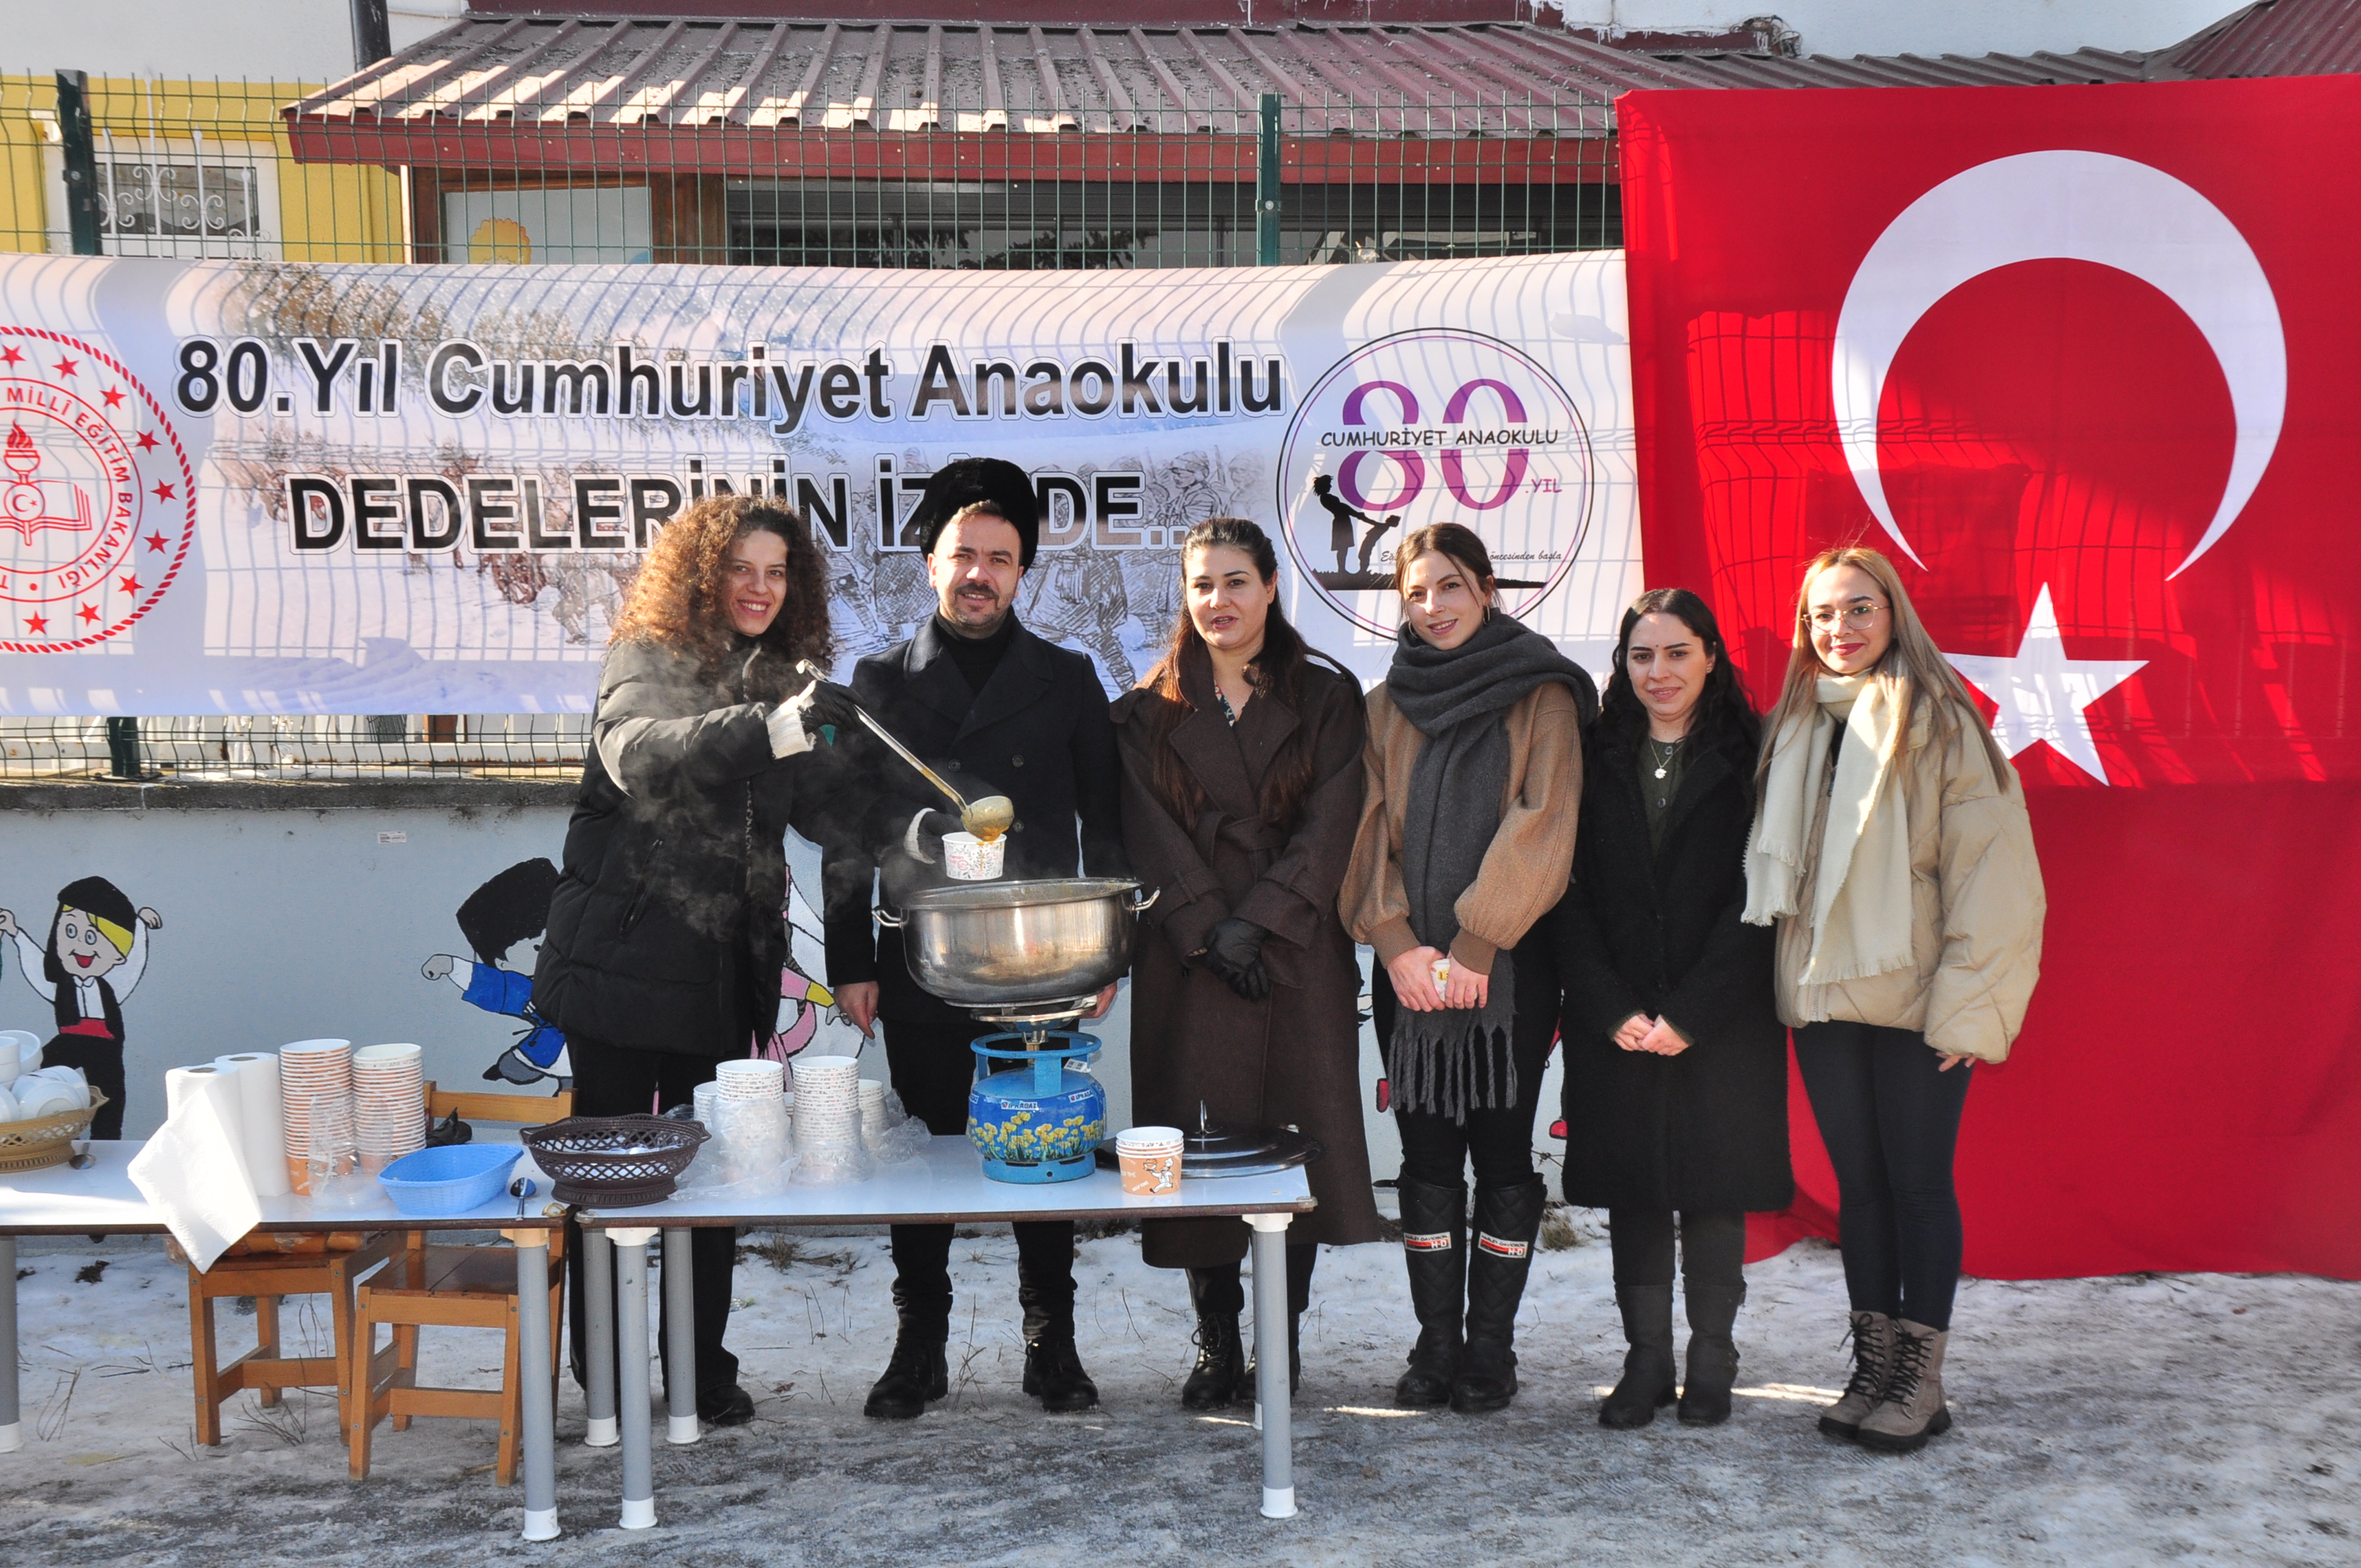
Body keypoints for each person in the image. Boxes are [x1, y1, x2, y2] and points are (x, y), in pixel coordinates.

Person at [533, 493, 855, 1429]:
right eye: (740, 568)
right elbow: (640, 754)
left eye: (777, 571)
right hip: (623, 977)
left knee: (711, 1184)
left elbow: (824, 810)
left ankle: (703, 1367)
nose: (759, 587)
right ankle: (610, 1375)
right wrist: (775, 728)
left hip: (725, 976)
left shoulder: (780, 678)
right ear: (701, 574)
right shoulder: (647, 658)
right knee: (611, 1184)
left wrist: (913, 831)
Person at [820, 458, 1125, 1420]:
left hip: (1040, 961)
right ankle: (921, 1344)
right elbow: (846, 835)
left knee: (1047, 1143)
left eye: (999, 558)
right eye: (963, 555)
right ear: (929, 563)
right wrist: (849, 965)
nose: (979, 574)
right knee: (928, 1148)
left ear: (1024, 572)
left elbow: (1107, 827)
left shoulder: (1071, 682)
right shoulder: (878, 684)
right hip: (922, 965)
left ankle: (1053, 1342)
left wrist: (1112, 952)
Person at [1744, 545, 2044, 1453]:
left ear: (1894, 614)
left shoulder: (1943, 723)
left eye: (1859, 609)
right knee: (1860, 1189)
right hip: (1824, 995)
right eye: (1822, 615)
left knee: (1916, 1185)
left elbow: (1993, 876)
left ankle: (1922, 1380)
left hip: (1916, 1001)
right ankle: (1874, 1367)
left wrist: (1967, 1009)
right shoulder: (1791, 725)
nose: (1839, 630)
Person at [1111, 518, 1381, 1408]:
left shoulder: (1330, 699)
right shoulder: (1146, 710)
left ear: (1271, 587)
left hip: (1295, 952)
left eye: (1236, 581)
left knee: (1293, 1153)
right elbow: (1142, 827)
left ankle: (1280, 1340)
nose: (1217, 601)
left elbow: (1335, 817)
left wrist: (1258, 922)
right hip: (1192, 963)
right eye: (1201, 584)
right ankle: (1217, 1342)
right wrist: (1207, 927)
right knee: (1202, 1150)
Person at [1340, 522, 1593, 1413]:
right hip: (1408, 970)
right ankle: (1434, 1347)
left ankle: (1490, 1353)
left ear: (1487, 589)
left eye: (1451, 586)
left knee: (1502, 1157)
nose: (1434, 607)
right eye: (1416, 592)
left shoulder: (1544, 695)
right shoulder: (1381, 705)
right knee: (1425, 1160)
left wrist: (1477, 941)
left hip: (1507, 975)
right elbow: (1365, 828)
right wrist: (1397, 941)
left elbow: (1545, 822)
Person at [1552, 588, 1788, 1429]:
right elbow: (1565, 893)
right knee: (1636, 1190)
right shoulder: (1590, 751)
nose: (1659, 672)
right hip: (1615, 1016)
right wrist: (1610, 1004)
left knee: (1713, 1187)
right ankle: (1646, 1361)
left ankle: (1712, 1361)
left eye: (1677, 653)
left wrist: (1691, 1012)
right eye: (1641, 656)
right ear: (1622, 666)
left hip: (1721, 1017)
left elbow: (1765, 892)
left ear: (1712, 657)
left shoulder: (1756, 754)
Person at [0, 876, 162, 1140]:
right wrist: (15, 932)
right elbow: (35, 965)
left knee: (110, 1097)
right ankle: (32, 1135)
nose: (81, 946)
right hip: (70, 1040)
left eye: (93, 937)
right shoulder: (59, 982)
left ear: (118, 953)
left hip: (106, 1045)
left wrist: (141, 925)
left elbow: (134, 963)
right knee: (29, 1079)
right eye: (70, 932)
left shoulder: (113, 984)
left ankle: (107, 1145)